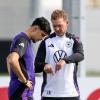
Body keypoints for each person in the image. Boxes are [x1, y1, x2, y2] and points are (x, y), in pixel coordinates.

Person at [35, 10, 84, 100]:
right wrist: (44, 66)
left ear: (67, 23)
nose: (57, 28)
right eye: (54, 26)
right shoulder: (46, 41)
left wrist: (64, 60)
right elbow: (36, 65)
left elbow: (80, 55)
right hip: (49, 94)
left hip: (70, 93)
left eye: (60, 25)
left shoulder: (74, 39)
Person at [6, 17, 51, 100]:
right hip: (21, 93)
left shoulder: (26, 40)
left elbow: (8, 58)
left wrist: (14, 77)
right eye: (42, 35)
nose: (41, 38)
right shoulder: (22, 40)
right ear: (35, 28)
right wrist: (24, 80)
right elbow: (12, 60)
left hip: (23, 92)